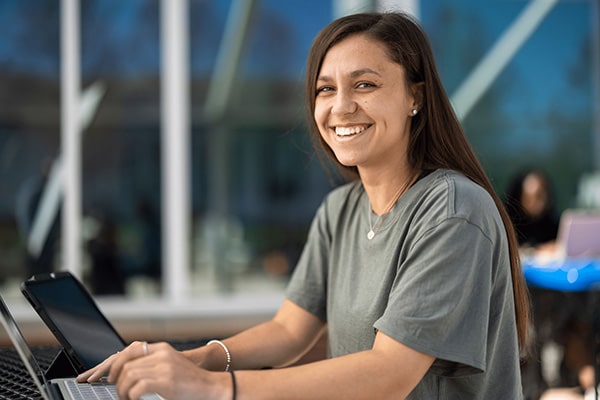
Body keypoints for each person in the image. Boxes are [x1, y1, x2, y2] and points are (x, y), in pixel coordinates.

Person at [77, 12, 530, 399]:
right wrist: (189, 360)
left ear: (416, 96)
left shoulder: (453, 210)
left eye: (365, 84)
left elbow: (390, 375)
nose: (342, 106)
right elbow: (289, 332)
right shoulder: (340, 210)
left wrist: (215, 388)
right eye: (325, 89)